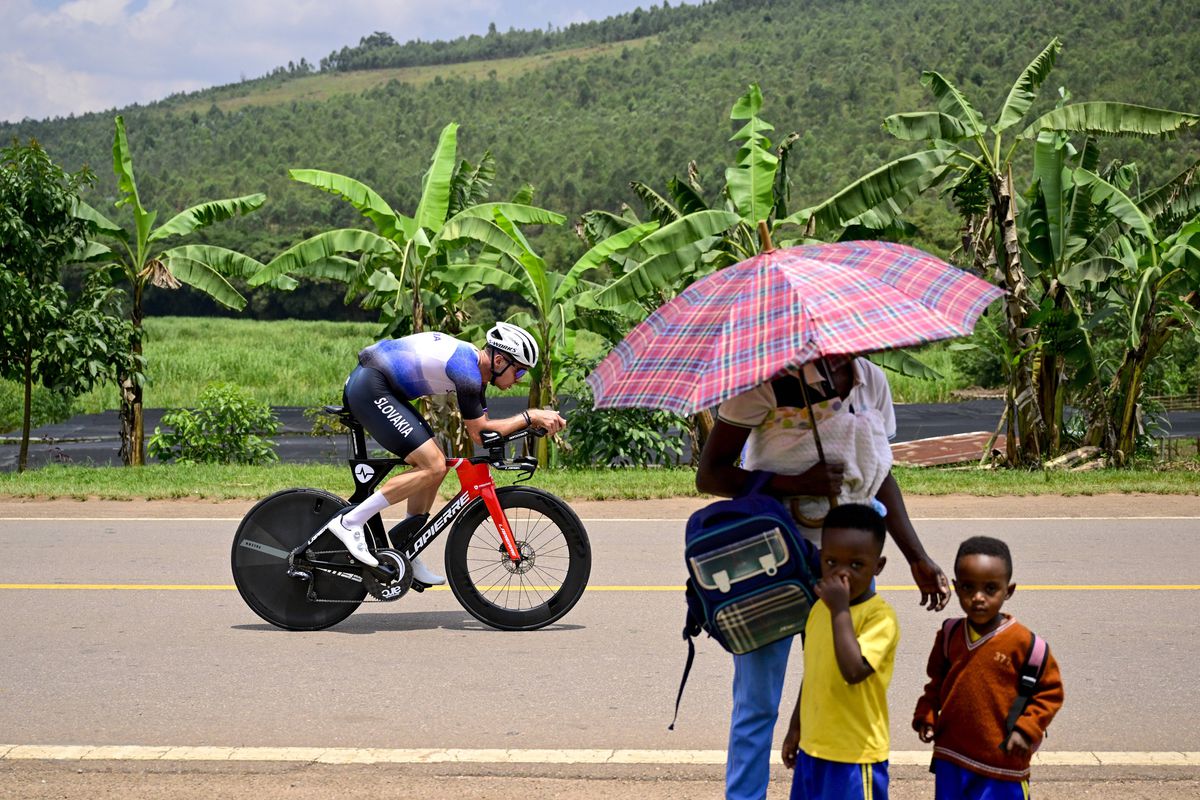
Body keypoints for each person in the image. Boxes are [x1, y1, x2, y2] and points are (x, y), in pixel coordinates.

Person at [695, 355, 949, 800]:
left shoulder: (872, 380)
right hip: (771, 562)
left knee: (836, 692)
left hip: (846, 564)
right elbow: (710, 474)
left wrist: (917, 557)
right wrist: (793, 483)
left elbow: (880, 473)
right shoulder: (766, 382)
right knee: (758, 703)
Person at [319, 322, 566, 579]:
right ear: (500, 361)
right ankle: (350, 522)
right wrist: (531, 416)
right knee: (432, 464)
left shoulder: (475, 371)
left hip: (378, 384)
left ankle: (407, 550)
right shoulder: (467, 372)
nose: (519, 381)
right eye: (519, 373)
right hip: (371, 386)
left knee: (436, 463)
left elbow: (485, 432)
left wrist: (528, 422)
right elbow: (479, 433)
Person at [913, 536, 1064, 799]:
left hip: (1002, 767)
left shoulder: (1026, 644)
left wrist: (1026, 730)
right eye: (969, 588)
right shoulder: (950, 634)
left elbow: (1050, 693)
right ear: (956, 587)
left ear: (1009, 590)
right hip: (952, 758)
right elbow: (935, 684)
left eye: (991, 589)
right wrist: (927, 716)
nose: (978, 598)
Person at [781, 503, 898, 800]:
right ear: (821, 558)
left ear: (878, 566)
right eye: (832, 563)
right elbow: (815, 673)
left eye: (856, 565)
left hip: (855, 757)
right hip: (814, 749)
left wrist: (840, 610)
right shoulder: (821, 608)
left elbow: (854, 670)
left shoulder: (879, 617)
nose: (843, 574)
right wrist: (796, 728)